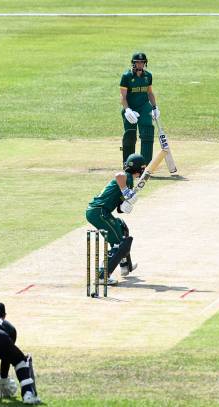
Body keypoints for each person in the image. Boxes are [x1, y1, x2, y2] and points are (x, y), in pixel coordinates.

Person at [85, 154, 145, 284]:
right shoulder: (126, 177)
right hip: (99, 211)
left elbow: (118, 206)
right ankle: (102, 275)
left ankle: (124, 266)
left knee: (121, 228)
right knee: (120, 243)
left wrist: (125, 205)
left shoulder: (129, 180)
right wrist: (126, 191)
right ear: (139, 168)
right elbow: (118, 175)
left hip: (99, 211)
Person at [120, 52, 160, 166]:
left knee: (147, 132)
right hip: (130, 108)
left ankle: (146, 165)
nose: (140, 64)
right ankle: (128, 164)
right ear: (133, 63)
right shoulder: (126, 76)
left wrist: (154, 107)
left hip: (144, 107)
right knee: (130, 135)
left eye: (142, 62)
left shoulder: (148, 76)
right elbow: (123, 96)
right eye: (137, 62)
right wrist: (127, 110)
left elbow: (150, 93)